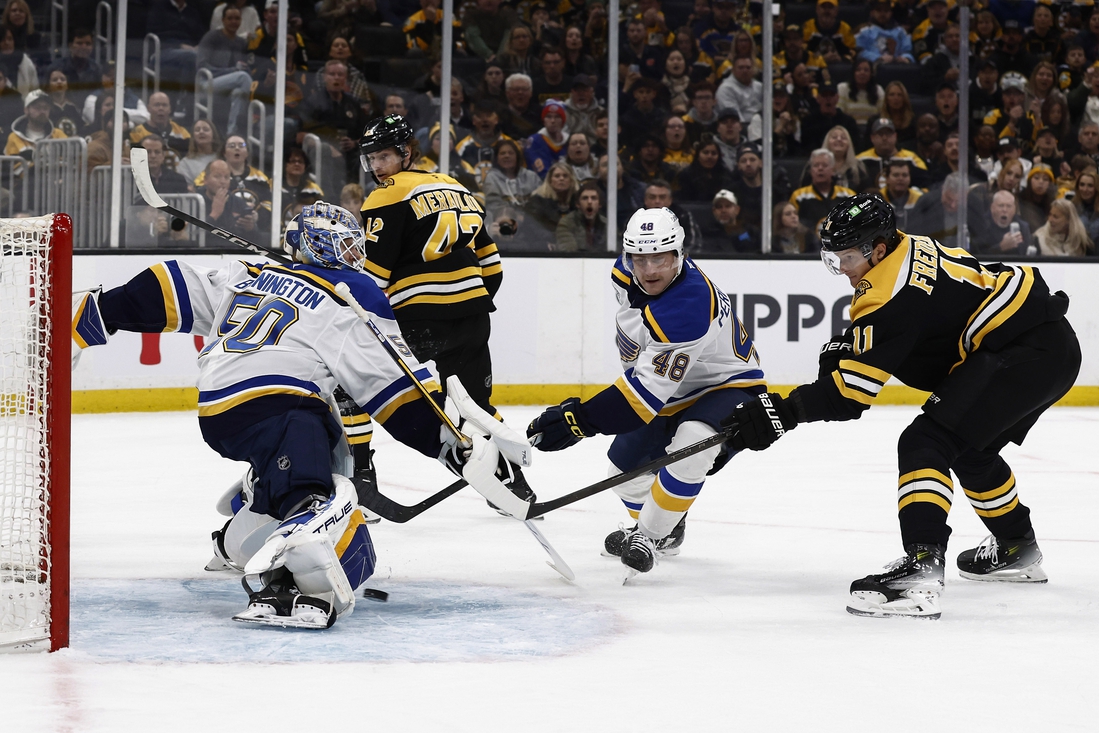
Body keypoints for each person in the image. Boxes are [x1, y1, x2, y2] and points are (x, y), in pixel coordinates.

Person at [71, 201, 532, 628]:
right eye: (344, 247)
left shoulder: (247, 273)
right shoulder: (351, 292)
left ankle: (241, 528)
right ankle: (294, 581)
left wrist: (102, 311)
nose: (354, 257)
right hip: (280, 403)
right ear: (318, 246)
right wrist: (448, 442)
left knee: (320, 446)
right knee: (323, 491)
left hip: (218, 410)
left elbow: (171, 283)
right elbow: (390, 383)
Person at [724, 192, 1080, 618]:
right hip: (1051, 345)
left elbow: (850, 394)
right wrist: (852, 346)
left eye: (846, 258)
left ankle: (921, 569)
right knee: (972, 452)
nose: (841, 269)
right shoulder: (906, 245)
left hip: (1020, 353)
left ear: (876, 250)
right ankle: (1017, 547)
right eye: (833, 259)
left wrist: (782, 412)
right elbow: (913, 323)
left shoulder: (888, 293)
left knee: (924, 443)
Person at [526, 207, 765, 578]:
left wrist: (578, 420)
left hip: (729, 384)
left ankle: (650, 536)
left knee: (692, 444)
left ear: (679, 255)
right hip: (674, 387)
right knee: (623, 471)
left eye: (660, 259)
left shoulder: (689, 306)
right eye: (640, 259)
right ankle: (669, 528)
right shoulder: (624, 274)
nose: (650, 270)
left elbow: (640, 400)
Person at [357, 114, 504, 420]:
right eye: (371, 158)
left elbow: (375, 278)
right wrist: (470, 302)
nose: (377, 166)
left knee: (353, 381)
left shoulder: (386, 194)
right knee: (476, 410)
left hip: (419, 318)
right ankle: (498, 454)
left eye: (384, 156)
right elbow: (492, 265)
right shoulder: (457, 187)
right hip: (474, 317)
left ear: (406, 152)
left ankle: (357, 454)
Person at [298, 60, 369, 191]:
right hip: (323, 152)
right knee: (324, 150)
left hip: (349, 153)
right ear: (324, 77)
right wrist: (327, 146)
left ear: (346, 79)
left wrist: (354, 143)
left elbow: (366, 134)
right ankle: (328, 196)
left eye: (340, 74)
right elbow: (300, 135)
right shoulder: (313, 102)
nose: (336, 78)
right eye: (332, 74)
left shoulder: (353, 104)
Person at [196, 5, 254, 137]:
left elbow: (243, 67)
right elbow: (201, 66)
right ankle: (249, 120)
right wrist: (232, 71)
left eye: (237, 18)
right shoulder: (211, 37)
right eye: (230, 18)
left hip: (230, 86)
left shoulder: (241, 43)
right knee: (243, 77)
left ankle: (231, 132)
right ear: (223, 20)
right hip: (207, 83)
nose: (234, 22)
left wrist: (244, 68)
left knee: (239, 92)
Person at [790, 149, 857, 249]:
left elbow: (857, 221)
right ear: (810, 171)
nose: (820, 169)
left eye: (825, 165)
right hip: (808, 250)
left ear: (833, 170)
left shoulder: (848, 196)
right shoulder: (798, 196)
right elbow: (791, 225)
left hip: (842, 248)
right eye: (816, 165)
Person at [857, 118, 929, 191]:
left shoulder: (911, 159)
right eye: (880, 134)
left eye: (888, 134)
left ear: (895, 136)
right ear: (872, 138)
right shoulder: (860, 160)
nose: (884, 138)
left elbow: (926, 185)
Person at [482, 137, 541, 220]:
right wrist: (514, 215)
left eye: (511, 153)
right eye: (502, 153)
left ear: (517, 157)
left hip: (533, 221)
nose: (507, 156)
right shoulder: (491, 178)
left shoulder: (531, 176)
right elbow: (493, 204)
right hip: (504, 220)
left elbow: (541, 201)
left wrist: (526, 217)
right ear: (496, 158)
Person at [525, 160, 579, 246]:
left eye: (565, 176)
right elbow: (532, 227)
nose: (561, 179)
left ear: (571, 180)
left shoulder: (578, 201)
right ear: (550, 180)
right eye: (557, 176)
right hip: (544, 245)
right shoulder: (537, 201)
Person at [130, 92, 192, 165]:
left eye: (164, 105)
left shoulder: (182, 133)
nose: (161, 108)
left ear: (170, 109)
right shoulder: (136, 133)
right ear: (149, 108)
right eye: (157, 105)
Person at [676, 135, 735, 203]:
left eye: (714, 153)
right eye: (706, 152)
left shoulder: (726, 174)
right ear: (698, 155)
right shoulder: (686, 174)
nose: (710, 156)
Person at [698, 188, 759, 253]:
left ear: (737, 210)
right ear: (714, 211)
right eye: (719, 207)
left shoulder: (751, 232)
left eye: (728, 206)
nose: (723, 210)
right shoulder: (707, 235)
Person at [856, 0, 914, 65]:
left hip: (897, 67)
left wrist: (906, 58)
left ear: (891, 13)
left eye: (886, 10)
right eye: (879, 10)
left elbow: (908, 51)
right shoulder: (863, 30)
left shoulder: (901, 31)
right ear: (872, 12)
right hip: (872, 66)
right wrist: (878, 58)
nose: (883, 14)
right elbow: (859, 52)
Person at [554, 180, 606, 252]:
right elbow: (568, 252)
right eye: (585, 198)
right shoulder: (566, 224)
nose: (589, 202)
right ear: (578, 204)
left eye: (593, 198)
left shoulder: (607, 225)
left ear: (599, 204)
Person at [525, 99, 568, 177]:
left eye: (557, 117)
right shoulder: (535, 141)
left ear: (563, 121)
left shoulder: (569, 141)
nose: (553, 121)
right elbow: (540, 172)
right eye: (548, 117)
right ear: (543, 120)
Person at [837, 58, 883, 126]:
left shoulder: (878, 90)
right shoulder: (842, 88)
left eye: (866, 70)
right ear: (853, 73)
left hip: (872, 128)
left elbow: (883, 114)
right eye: (858, 70)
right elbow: (839, 114)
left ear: (871, 74)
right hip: (848, 127)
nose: (862, 73)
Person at [176, 118, 222, 186]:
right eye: (197, 130)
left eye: (206, 130)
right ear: (193, 137)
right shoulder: (185, 164)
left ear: (213, 135)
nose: (201, 132)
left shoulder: (222, 158)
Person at [44, 69, 82, 138]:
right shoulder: (45, 108)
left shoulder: (74, 108)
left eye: (62, 79)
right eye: (55, 80)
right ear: (48, 85)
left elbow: (82, 129)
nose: (59, 82)